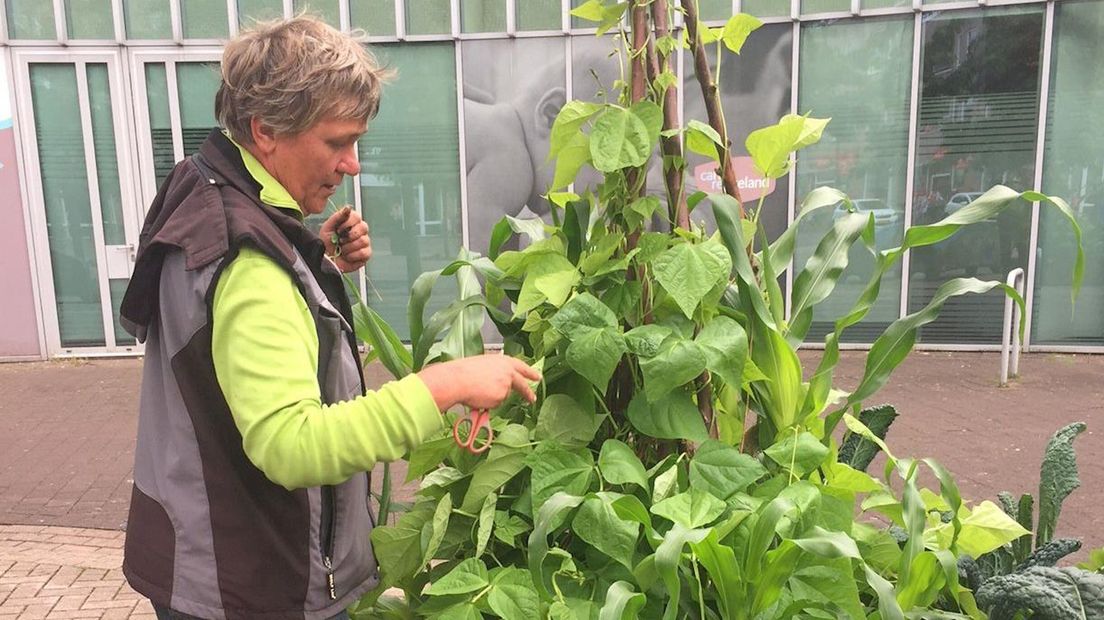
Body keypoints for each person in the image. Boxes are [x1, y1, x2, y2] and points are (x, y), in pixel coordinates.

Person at [118, 16, 540, 620]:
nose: (353, 165)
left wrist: (314, 261)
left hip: (209, 554)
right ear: (265, 131)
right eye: (337, 142)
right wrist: (443, 386)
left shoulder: (206, 190)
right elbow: (291, 445)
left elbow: (221, 337)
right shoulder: (251, 264)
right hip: (253, 587)